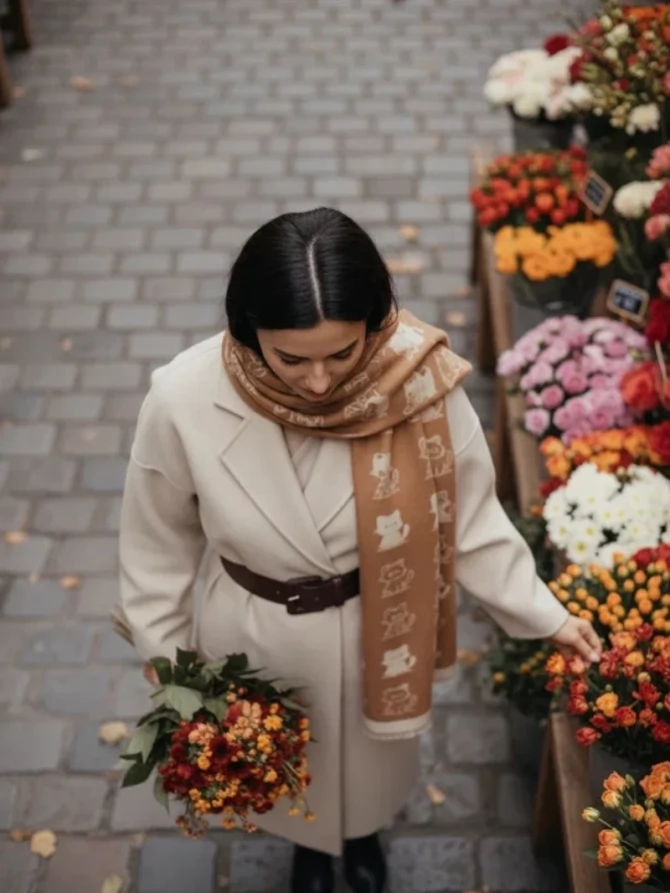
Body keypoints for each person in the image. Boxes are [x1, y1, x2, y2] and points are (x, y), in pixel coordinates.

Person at [119, 207, 602, 893]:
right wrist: (171, 661)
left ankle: (363, 833)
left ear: (377, 327)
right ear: (247, 329)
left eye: (342, 355)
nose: (319, 383)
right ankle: (310, 851)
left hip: (379, 624)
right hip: (255, 635)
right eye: (291, 358)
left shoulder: (418, 384)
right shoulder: (183, 396)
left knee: (369, 769)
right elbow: (155, 543)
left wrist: (544, 614)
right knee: (280, 762)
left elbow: (469, 518)